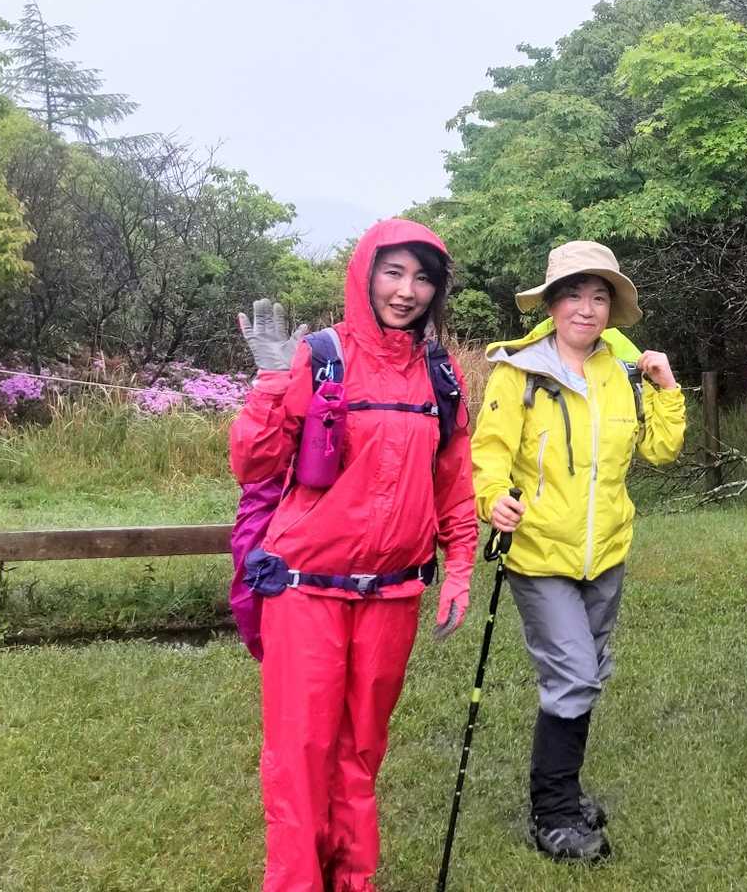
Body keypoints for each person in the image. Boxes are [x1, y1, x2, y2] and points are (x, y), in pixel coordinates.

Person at [229, 218, 478, 890]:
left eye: (422, 278)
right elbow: (254, 464)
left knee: (361, 751)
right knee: (301, 754)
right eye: (393, 272)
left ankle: (353, 880)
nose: (406, 291)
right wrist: (272, 381)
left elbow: (454, 480)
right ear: (365, 274)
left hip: (392, 593)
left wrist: (459, 567)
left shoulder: (440, 372)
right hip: (304, 588)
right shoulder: (320, 355)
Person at [469, 240, 686, 863]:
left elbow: (660, 451)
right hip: (539, 556)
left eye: (598, 298)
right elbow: (489, 453)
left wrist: (666, 389)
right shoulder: (518, 374)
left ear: (611, 309)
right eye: (573, 295)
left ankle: (563, 790)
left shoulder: (622, 374)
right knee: (573, 674)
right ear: (551, 304)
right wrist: (493, 499)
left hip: (606, 554)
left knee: (588, 673)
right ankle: (554, 812)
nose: (585, 309)